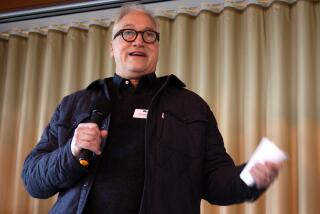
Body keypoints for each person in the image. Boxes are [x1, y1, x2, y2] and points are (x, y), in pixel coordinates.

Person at [22, 4, 282, 214]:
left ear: (156, 47)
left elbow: (216, 183)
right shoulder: (75, 104)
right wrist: (71, 151)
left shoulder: (191, 107)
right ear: (112, 47)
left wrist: (250, 178)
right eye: (128, 33)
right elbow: (34, 180)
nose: (139, 41)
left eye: (149, 35)